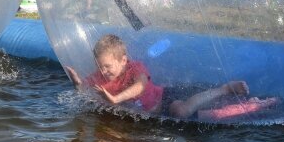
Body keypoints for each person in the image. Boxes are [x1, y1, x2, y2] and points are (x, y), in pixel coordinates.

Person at [65, 34, 250, 119]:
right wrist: (78, 84)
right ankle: (222, 110)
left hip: (163, 99)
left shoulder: (134, 68)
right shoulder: (101, 77)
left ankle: (225, 88)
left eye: (107, 66)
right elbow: (85, 90)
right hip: (152, 115)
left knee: (180, 111)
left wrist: (116, 98)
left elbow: (141, 87)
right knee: (195, 117)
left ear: (123, 60)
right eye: (100, 66)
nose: (103, 71)